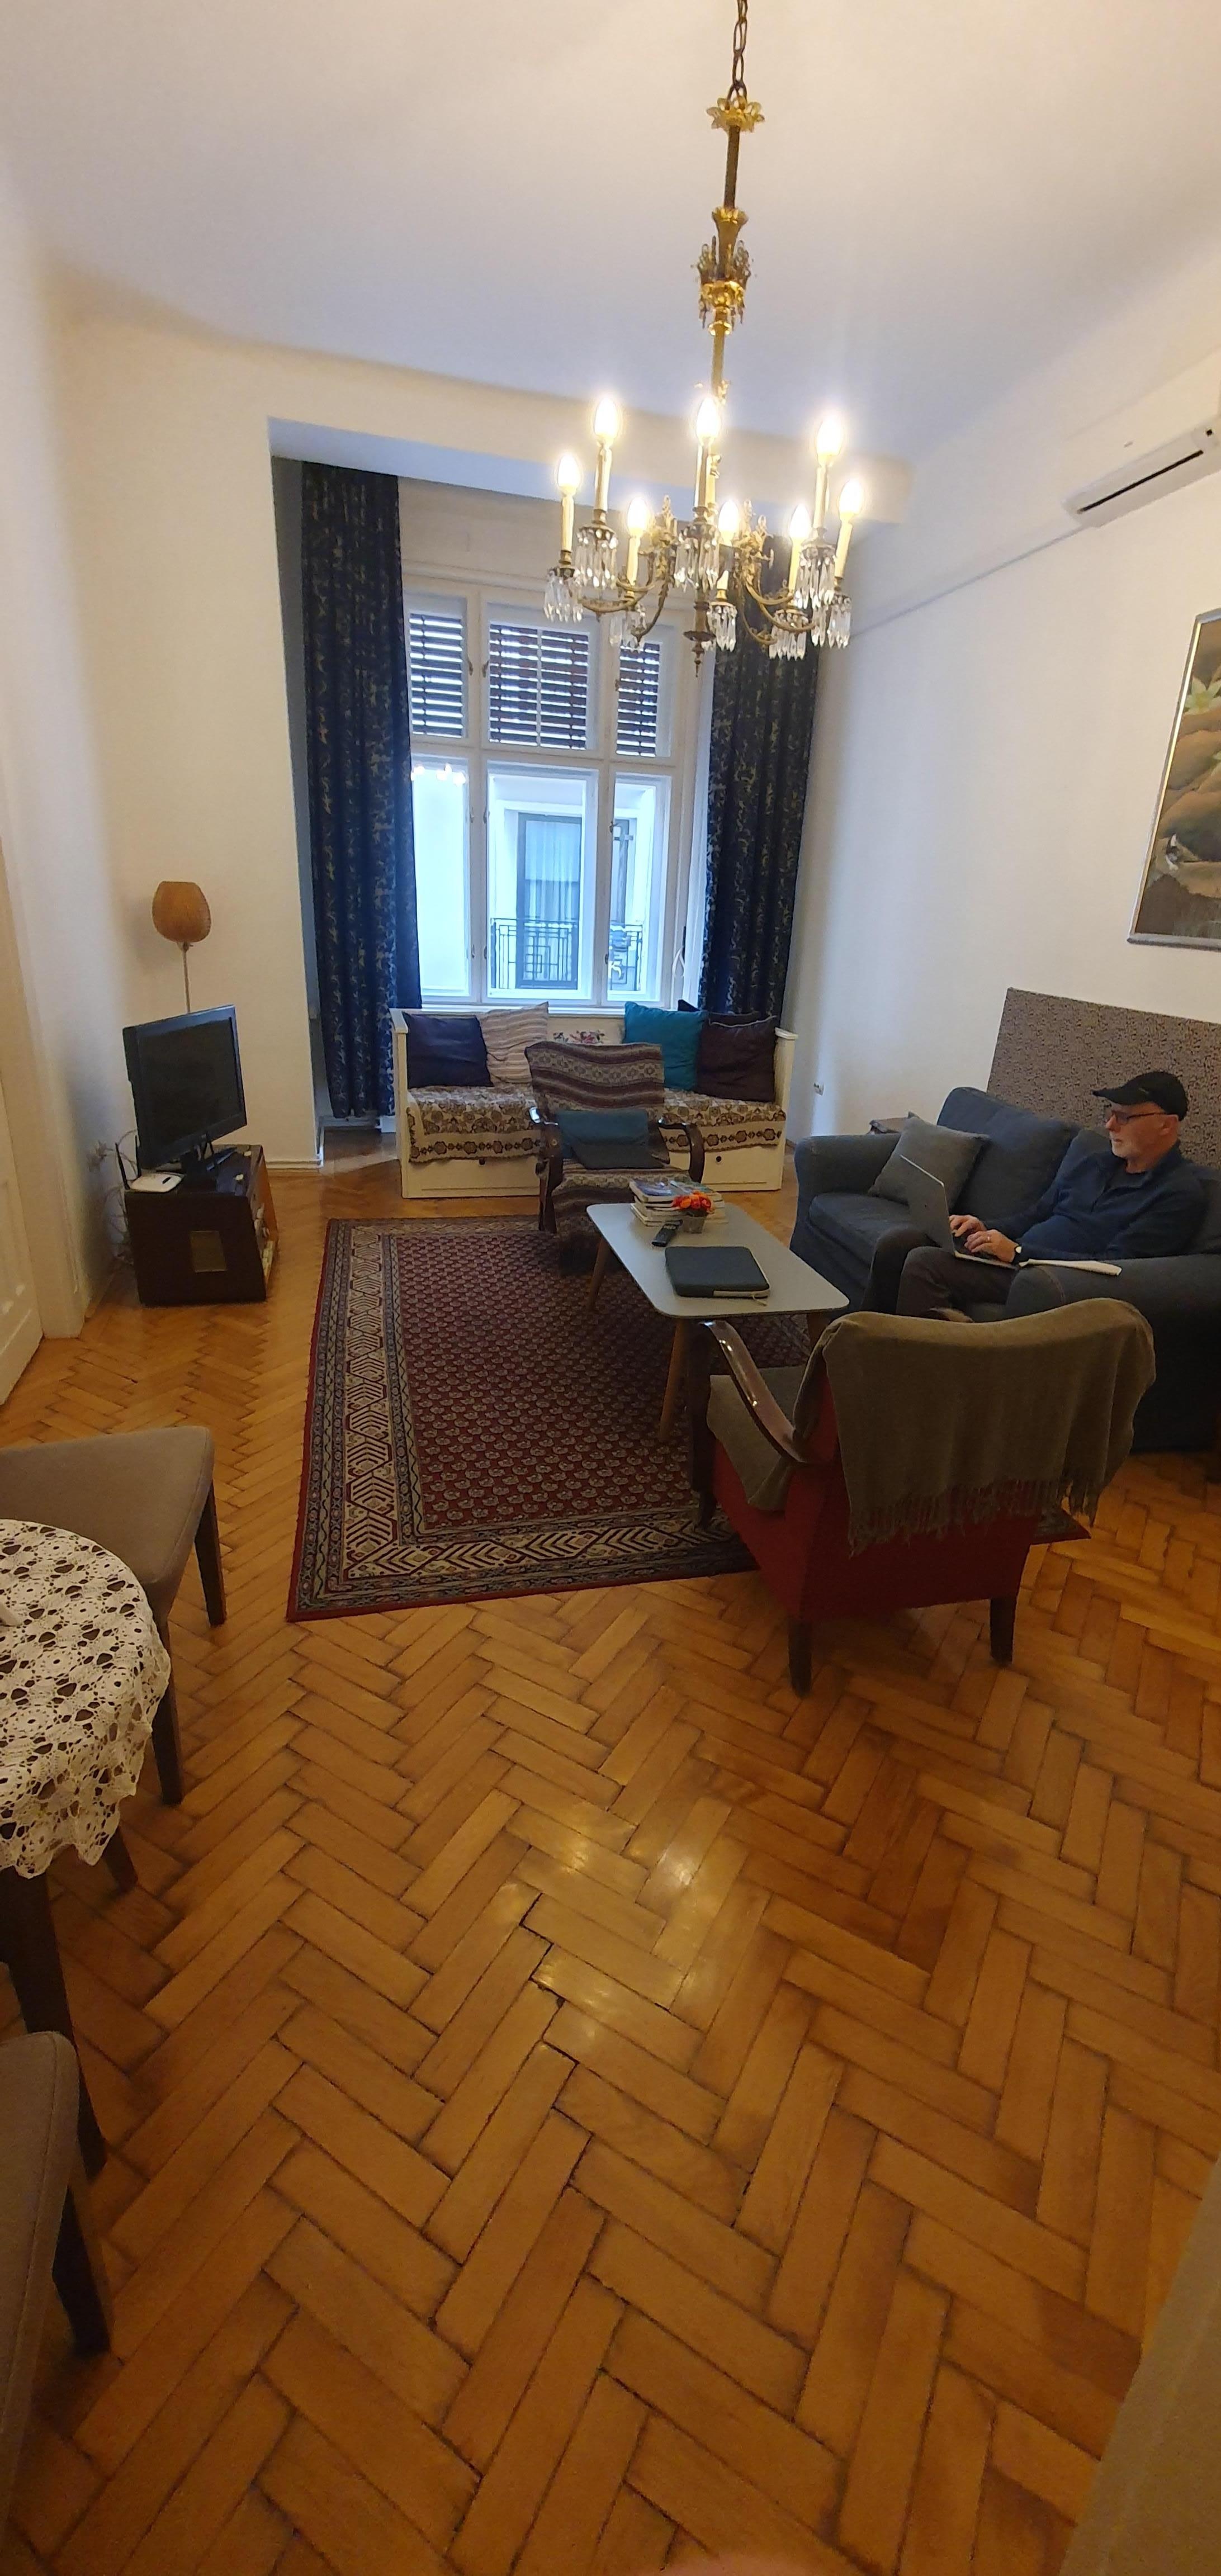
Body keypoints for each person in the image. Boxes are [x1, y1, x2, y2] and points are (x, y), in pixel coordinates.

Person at [869, 1071, 1205, 1319]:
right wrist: (985, 1226)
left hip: (1048, 1279)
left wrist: (1018, 1253)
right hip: (1017, 1259)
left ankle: (917, 1375)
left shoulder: (1177, 1195)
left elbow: (1113, 1267)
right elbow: (1037, 1213)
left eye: (1125, 1117)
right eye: (1110, 1113)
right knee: (900, 1242)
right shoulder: (1096, 1162)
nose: (1110, 1126)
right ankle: (863, 1346)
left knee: (925, 1265)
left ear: (1167, 1125)